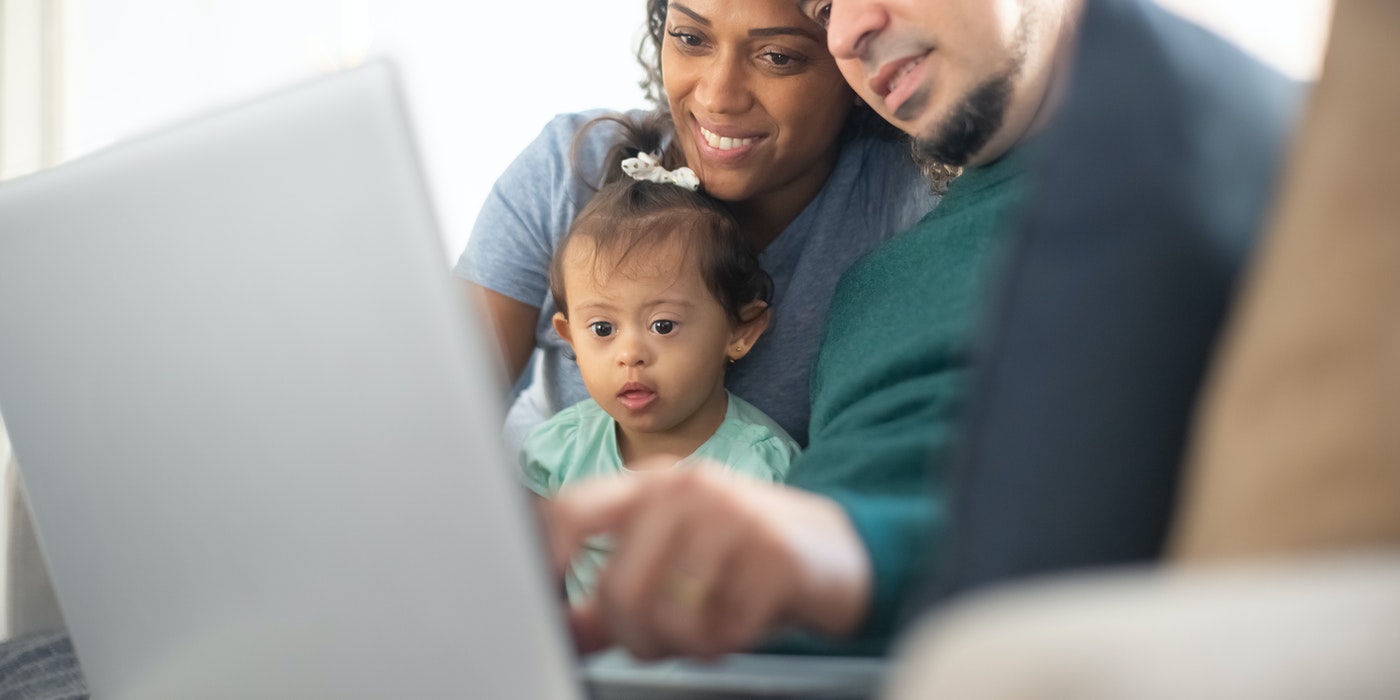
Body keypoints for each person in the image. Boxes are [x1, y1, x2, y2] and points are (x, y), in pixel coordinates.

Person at [547, 0, 1087, 660]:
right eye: (827, 8)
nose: (848, 31)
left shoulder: (1159, 169)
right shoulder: (880, 283)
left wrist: (841, 551)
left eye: (781, 54)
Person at [457, 0, 938, 451]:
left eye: (777, 57)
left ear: (855, 61)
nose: (717, 97)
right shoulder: (568, 168)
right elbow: (434, 409)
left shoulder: (912, 200)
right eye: (690, 38)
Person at [521, 114, 799, 602]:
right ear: (569, 336)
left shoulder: (757, 468)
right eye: (602, 329)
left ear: (740, 330)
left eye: (663, 326)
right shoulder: (557, 452)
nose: (630, 355)